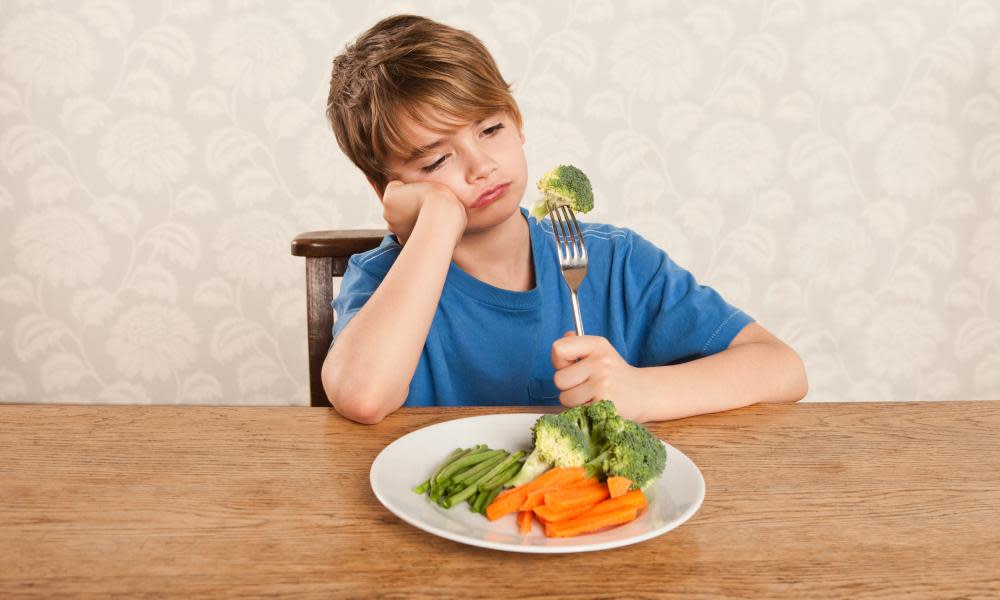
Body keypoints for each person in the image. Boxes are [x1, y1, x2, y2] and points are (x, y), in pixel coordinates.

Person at [322, 14, 808, 425]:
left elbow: (782, 368)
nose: (481, 166)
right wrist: (439, 217)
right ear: (387, 190)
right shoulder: (379, 281)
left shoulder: (614, 261)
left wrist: (641, 392)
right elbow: (363, 396)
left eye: (491, 129)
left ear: (518, 122)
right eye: (435, 162)